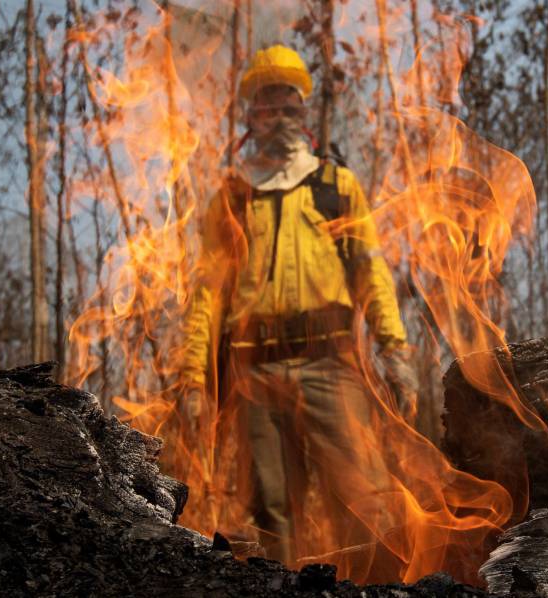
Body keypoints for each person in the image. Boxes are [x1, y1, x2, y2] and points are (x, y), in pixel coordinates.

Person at [178, 44, 419, 576]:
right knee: (270, 512)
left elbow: (372, 273)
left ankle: (376, 587)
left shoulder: (337, 185)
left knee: (364, 495)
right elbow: (206, 294)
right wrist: (194, 378)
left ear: (303, 110)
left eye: (288, 102)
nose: (278, 113)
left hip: (330, 364)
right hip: (254, 371)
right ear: (251, 114)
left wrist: (395, 349)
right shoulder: (233, 196)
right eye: (267, 103)